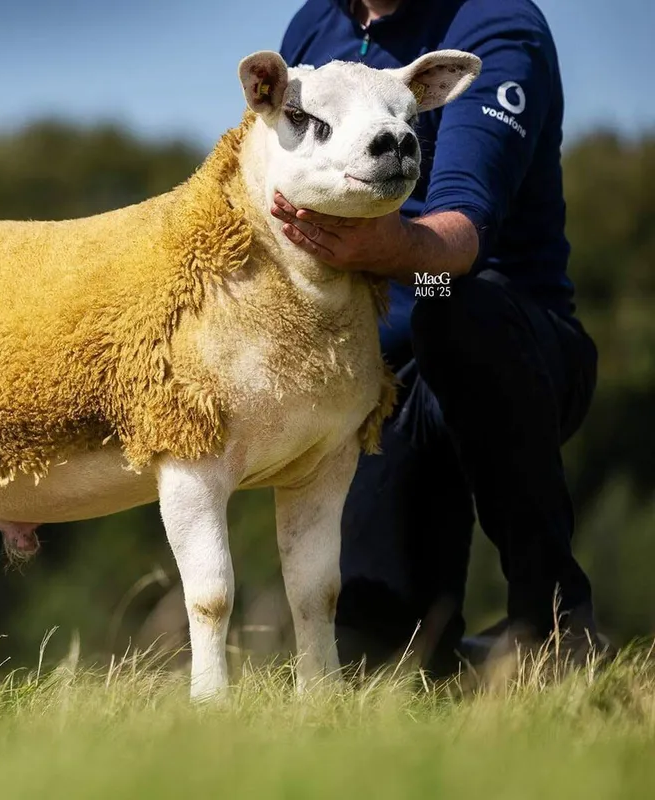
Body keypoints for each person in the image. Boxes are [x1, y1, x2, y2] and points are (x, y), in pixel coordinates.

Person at [275, 0, 600, 673]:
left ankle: (554, 628)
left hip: (498, 326)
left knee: (448, 307)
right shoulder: (313, 26)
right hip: (380, 382)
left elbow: (462, 227)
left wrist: (381, 248)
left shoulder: (496, 24)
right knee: (376, 668)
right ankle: (475, 664)